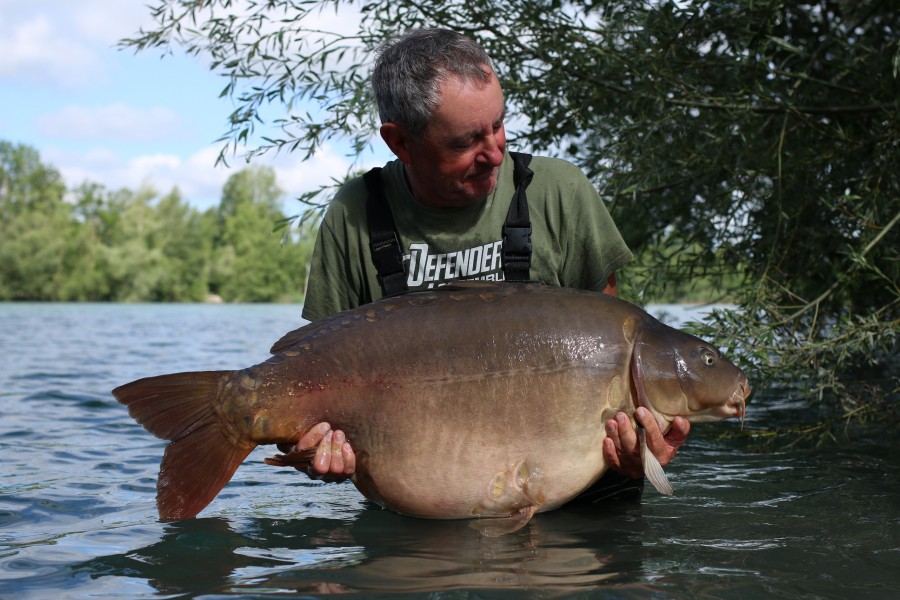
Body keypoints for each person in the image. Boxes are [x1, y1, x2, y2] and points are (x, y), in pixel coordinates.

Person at [279, 28, 690, 503]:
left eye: (497, 125)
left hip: (579, 518)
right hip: (422, 535)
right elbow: (313, 381)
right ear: (400, 143)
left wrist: (641, 446)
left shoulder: (560, 193)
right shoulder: (355, 216)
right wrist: (311, 450)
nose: (495, 152)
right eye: (465, 141)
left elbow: (615, 361)